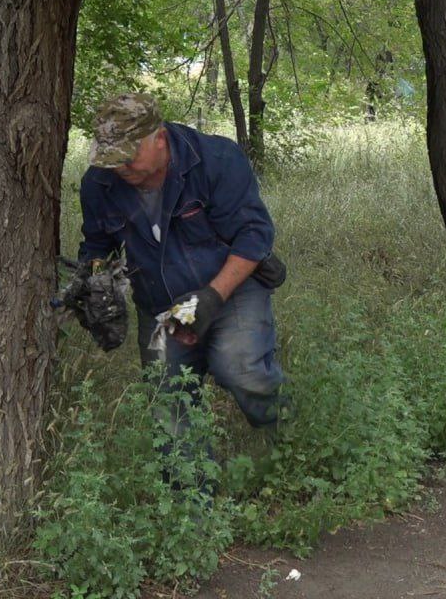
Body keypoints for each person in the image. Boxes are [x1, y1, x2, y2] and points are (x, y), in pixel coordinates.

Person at [75, 93, 287, 430]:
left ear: (159, 139)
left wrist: (212, 297)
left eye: (128, 157)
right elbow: (98, 244)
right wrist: (94, 284)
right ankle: (188, 483)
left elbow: (253, 234)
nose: (119, 168)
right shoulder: (98, 184)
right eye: (111, 159)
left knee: (241, 369)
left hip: (230, 289)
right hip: (159, 302)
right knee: (168, 401)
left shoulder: (215, 159)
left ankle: (285, 449)